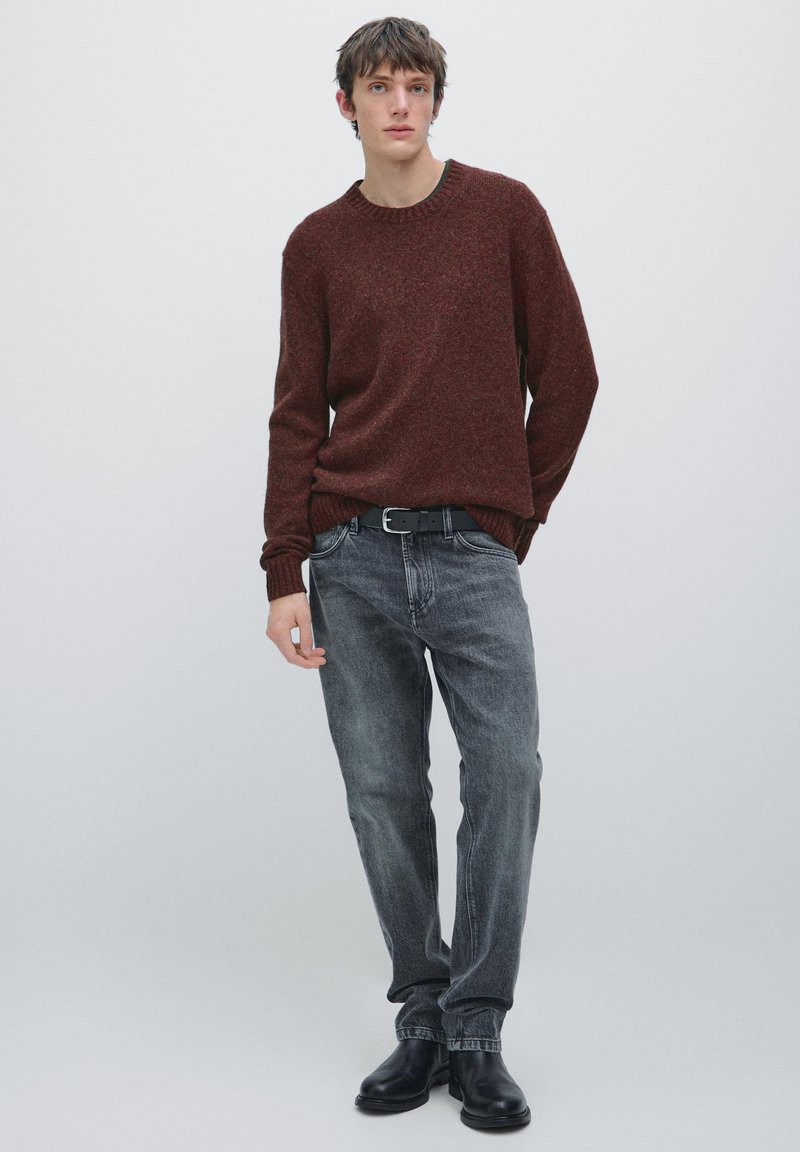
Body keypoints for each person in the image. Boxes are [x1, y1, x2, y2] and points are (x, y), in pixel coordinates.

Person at [259, 15, 599, 1131]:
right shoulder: (316, 245)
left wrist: (511, 519)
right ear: (345, 106)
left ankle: (477, 1025)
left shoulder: (503, 215)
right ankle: (422, 1011)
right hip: (349, 554)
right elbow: (296, 413)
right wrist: (284, 567)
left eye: (415, 85)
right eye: (378, 87)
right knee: (382, 790)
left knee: (506, 774)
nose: (397, 104)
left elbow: (570, 376)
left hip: (471, 550)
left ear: (436, 102)